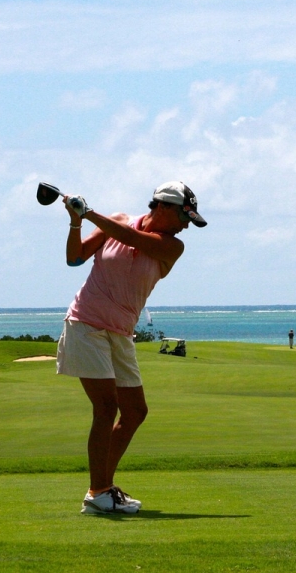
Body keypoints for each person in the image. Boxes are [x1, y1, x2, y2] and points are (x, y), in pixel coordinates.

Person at [56, 181, 206, 515]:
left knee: (135, 411)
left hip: (121, 333)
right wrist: (76, 220)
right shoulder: (119, 221)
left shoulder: (172, 247)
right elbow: (75, 258)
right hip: (86, 323)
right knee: (107, 407)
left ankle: (102, 488)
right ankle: (99, 494)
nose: (186, 225)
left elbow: (132, 239)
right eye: (184, 216)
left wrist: (90, 212)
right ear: (164, 207)